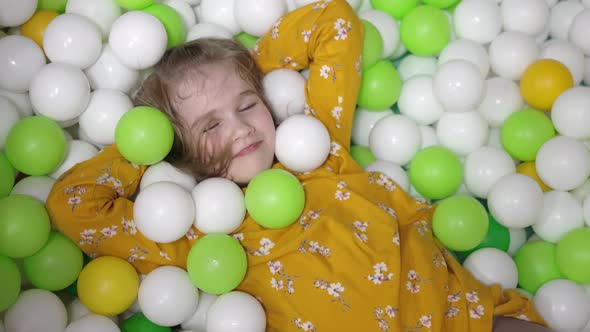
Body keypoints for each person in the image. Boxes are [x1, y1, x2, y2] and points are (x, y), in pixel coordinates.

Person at [46, 1, 550, 331]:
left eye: (247, 105)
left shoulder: (318, 150)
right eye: (210, 128)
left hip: (465, 319)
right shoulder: (200, 240)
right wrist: (148, 139)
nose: (241, 129)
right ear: (181, 153)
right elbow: (72, 207)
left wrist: (246, 69)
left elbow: (335, 23)